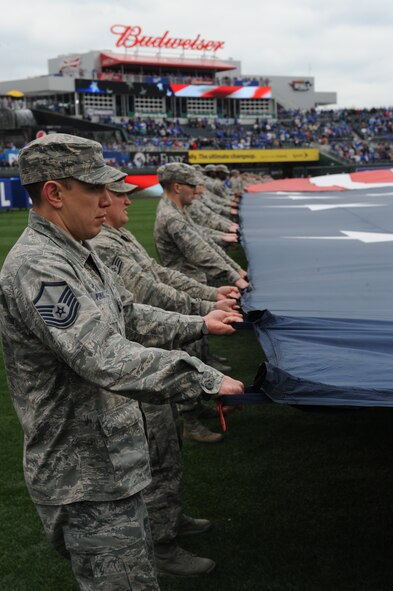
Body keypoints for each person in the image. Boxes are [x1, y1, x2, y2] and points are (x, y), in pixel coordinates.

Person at [0, 133, 244, 591]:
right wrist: (205, 379)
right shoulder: (39, 266)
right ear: (54, 193)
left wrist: (198, 323)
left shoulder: (79, 248)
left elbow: (128, 312)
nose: (108, 199)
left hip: (108, 463)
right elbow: (103, 355)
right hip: (83, 476)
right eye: (95, 189)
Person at [90, 179, 243, 574]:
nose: (126, 199)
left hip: (149, 353)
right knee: (155, 454)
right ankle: (161, 544)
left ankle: (169, 520)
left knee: (166, 445)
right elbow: (148, 294)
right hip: (135, 365)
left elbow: (154, 278)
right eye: (115, 192)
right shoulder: (100, 245)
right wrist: (201, 313)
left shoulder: (115, 235)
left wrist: (203, 306)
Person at [154, 163, 249, 289]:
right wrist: (236, 277)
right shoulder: (171, 216)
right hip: (188, 288)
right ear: (177, 188)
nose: (196, 190)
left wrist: (237, 269)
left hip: (193, 284)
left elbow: (202, 237)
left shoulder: (178, 209)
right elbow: (200, 251)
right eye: (192, 185)